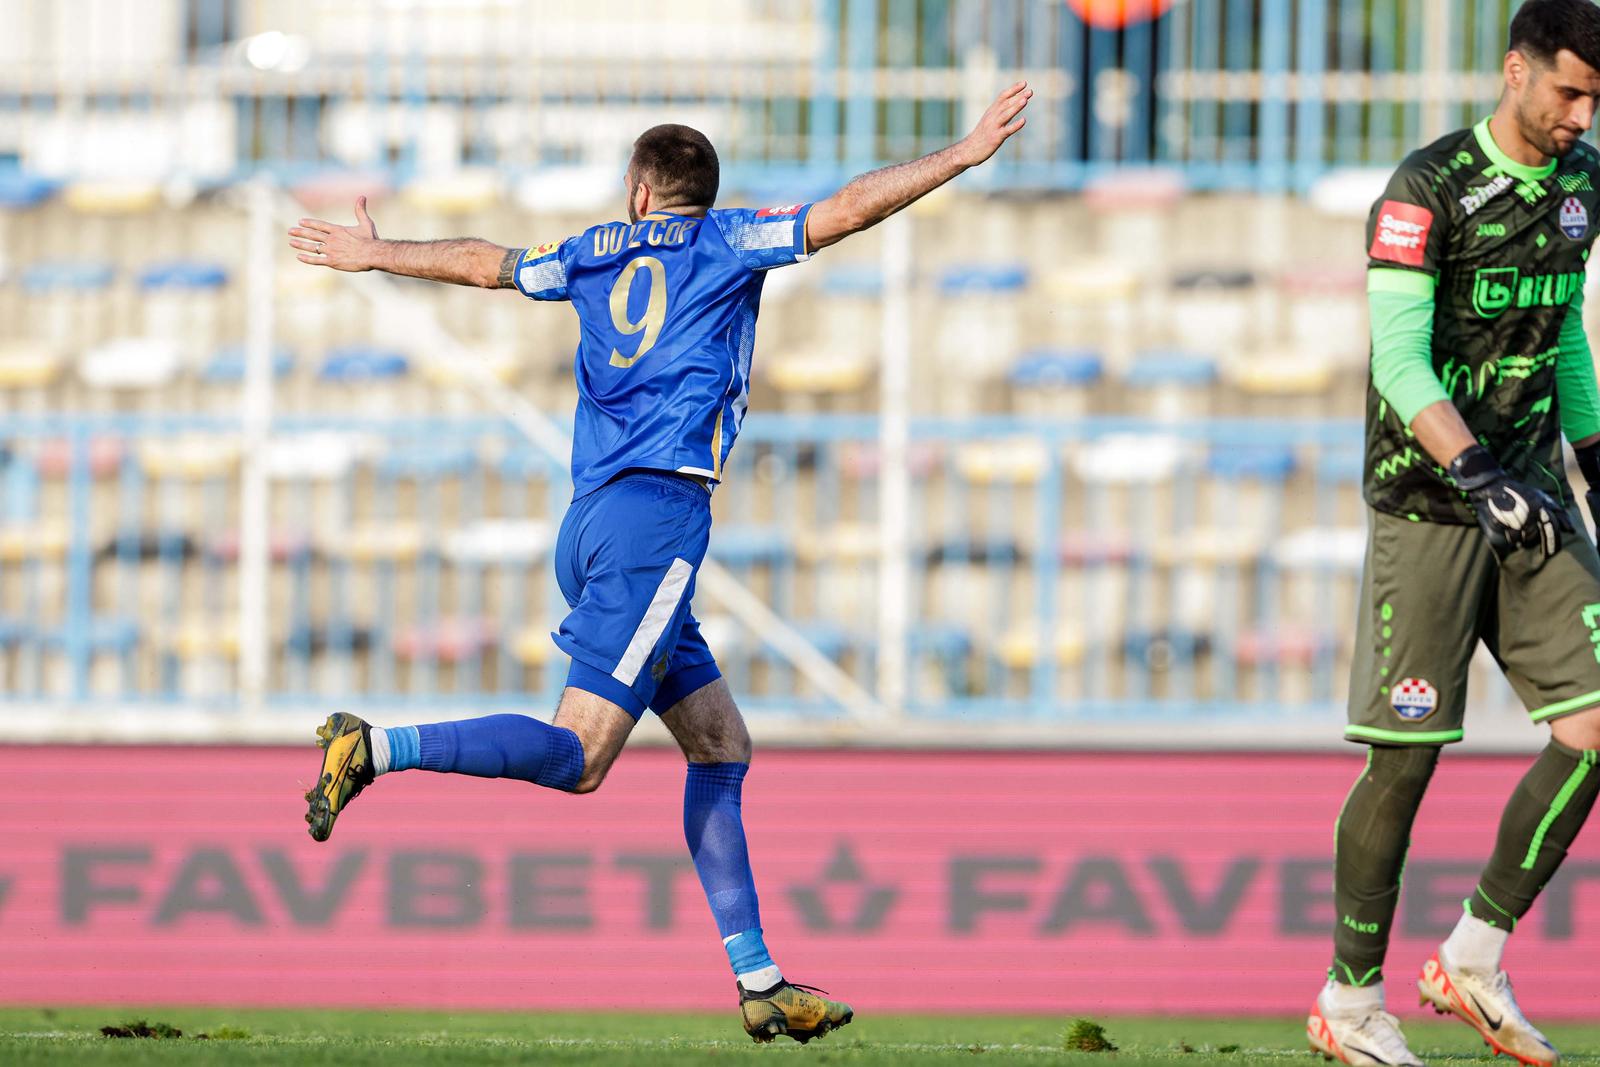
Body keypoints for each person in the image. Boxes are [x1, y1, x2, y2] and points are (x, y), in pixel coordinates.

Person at [287, 81, 1032, 1043]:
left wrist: (378, 251)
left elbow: (486, 265)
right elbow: (846, 208)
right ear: (696, 196)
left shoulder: (590, 251)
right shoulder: (729, 240)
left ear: (638, 192)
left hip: (593, 517)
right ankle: (377, 746)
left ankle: (760, 980)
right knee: (581, 757)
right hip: (660, 517)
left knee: (721, 745)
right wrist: (963, 155)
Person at [1306, 3, 1600, 1065]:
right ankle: (1346, 1001)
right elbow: (1394, 356)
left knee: (1595, 725)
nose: (1579, 115)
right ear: (1515, 70)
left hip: (1531, 496)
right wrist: (1471, 466)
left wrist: (1593, 466)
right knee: (1406, 761)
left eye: (1593, 99)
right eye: (1567, 91)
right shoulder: (1423, 189)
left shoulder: (1583, 186)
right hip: (1429, 501)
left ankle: (1472, 952)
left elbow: (1560, 326)